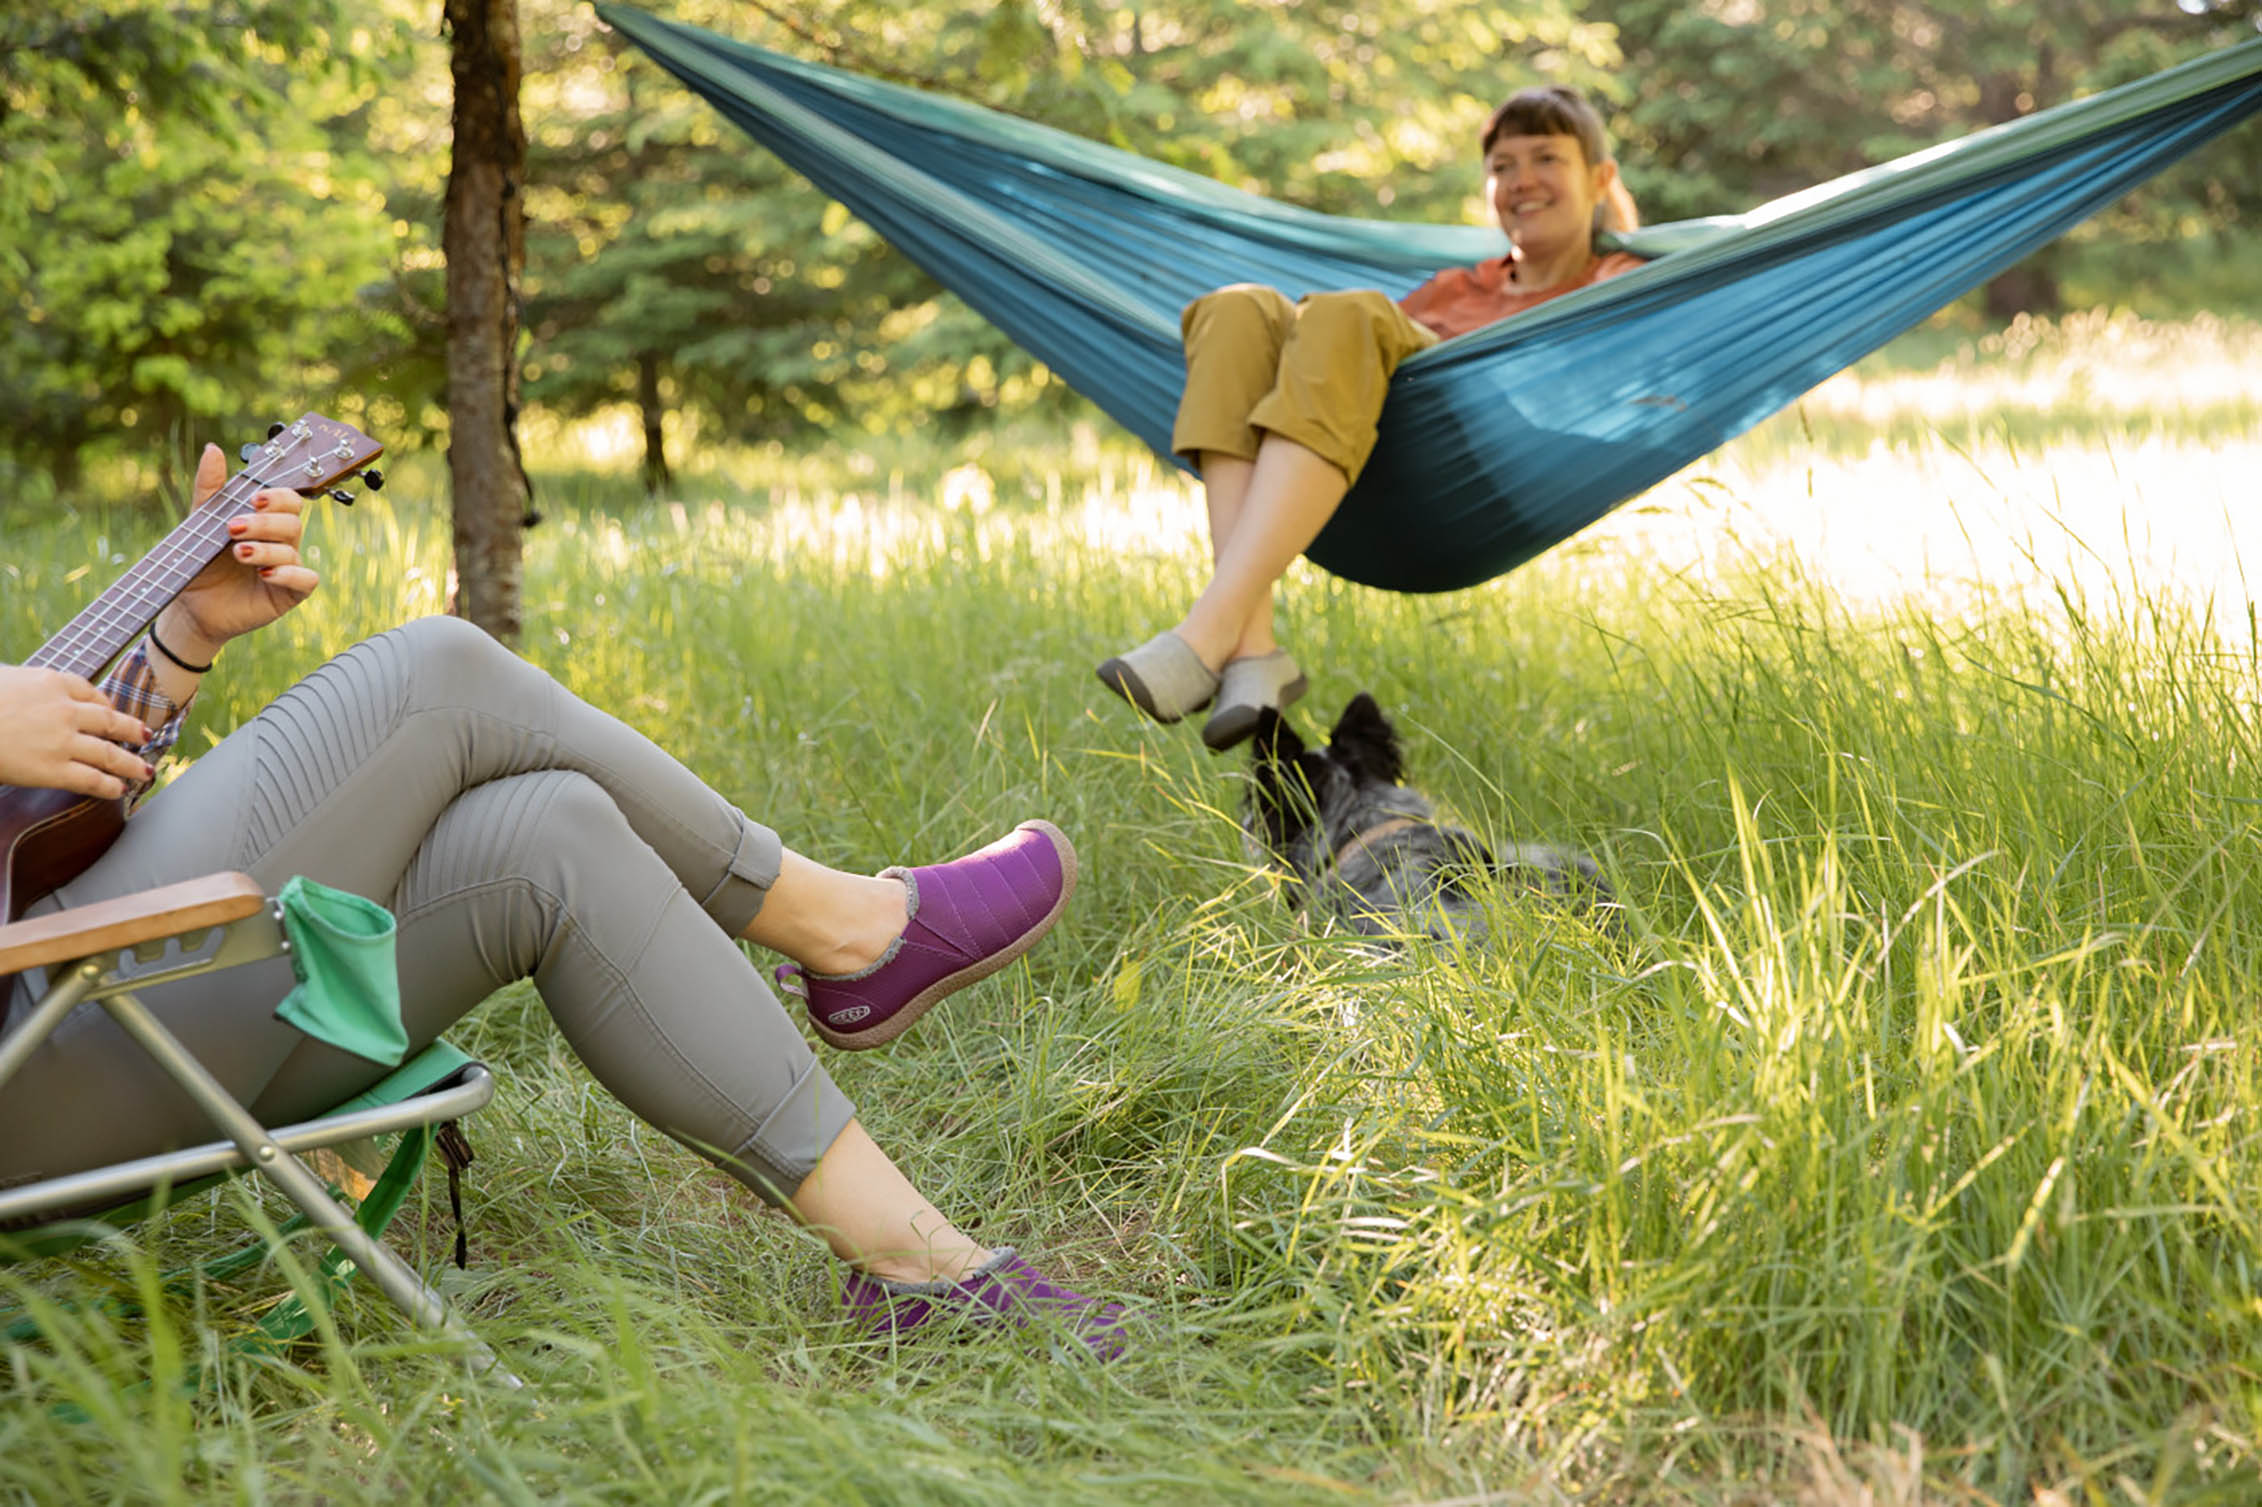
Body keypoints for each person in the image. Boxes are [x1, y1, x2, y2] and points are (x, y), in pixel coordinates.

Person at [0, 443, 1128, 1359]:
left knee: (552, 830)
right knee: (437, 671)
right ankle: (857, 931)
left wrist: (184, 631)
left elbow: (25, 835)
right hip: (40, 1062)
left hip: (95, 1012)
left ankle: (921, 1268)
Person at [1097, 84, 1646, 752]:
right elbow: (1354, 357)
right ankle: (1252, 648)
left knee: (1347, 311)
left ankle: (1211, 630)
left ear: (1600, 176)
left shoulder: (1619, 279)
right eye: (1502, 166)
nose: (1521, 180)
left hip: (1485, 466)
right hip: (1379, 445)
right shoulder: (1456, 285)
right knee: (1234, 310)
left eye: (1545, 158)